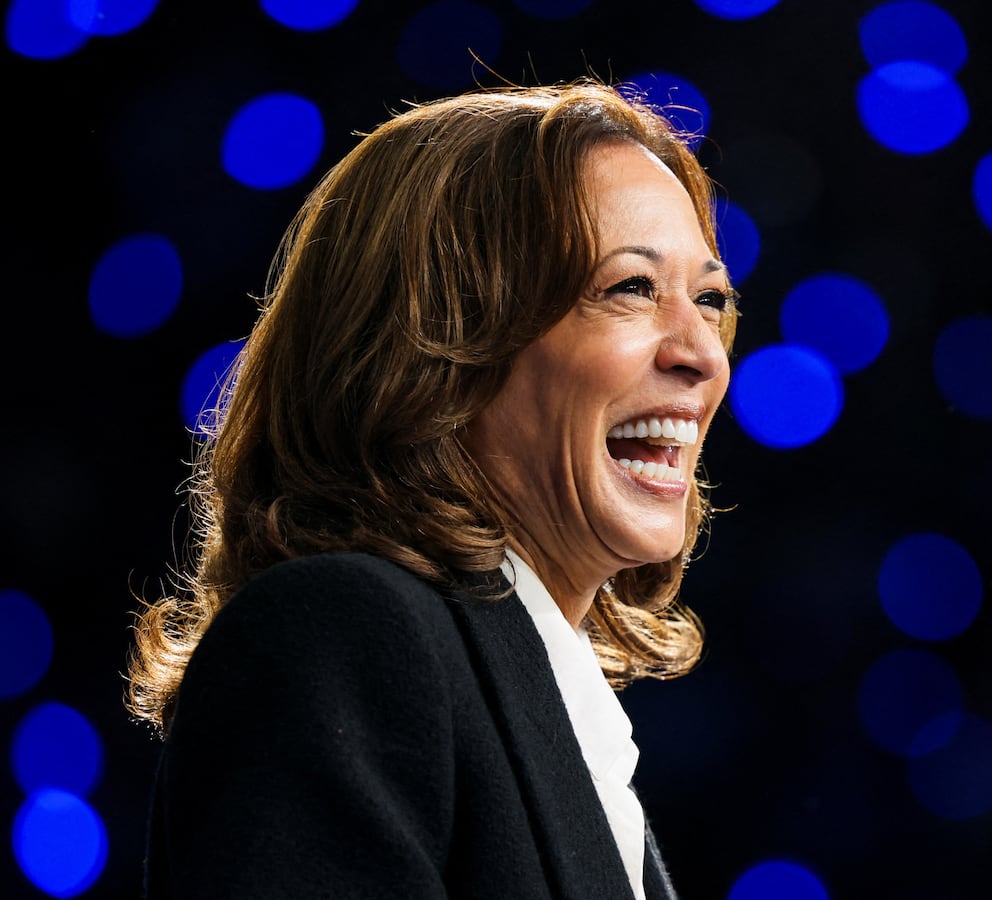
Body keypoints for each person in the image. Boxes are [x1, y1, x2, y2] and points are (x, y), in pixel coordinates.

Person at [124, 76, 740, 900]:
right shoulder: (340, 634)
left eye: (711, 299)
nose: (703, 353)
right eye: (631, 288)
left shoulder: (556, 703)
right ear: (440, 345)